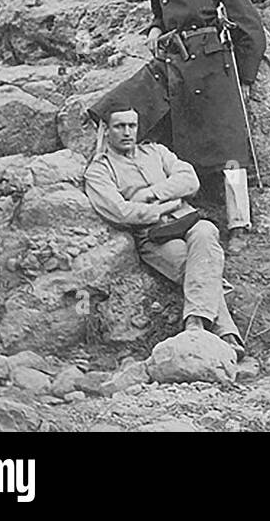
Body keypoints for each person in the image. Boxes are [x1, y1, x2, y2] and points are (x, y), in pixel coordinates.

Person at [88, 0, 265, 254]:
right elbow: (160, 12)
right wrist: (155, 27)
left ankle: (239, 223)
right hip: (176, 64)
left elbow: (250, 26)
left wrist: (246, 76)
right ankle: (174, 211)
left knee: (230, 147)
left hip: (215, 66)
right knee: (123, 107)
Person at [84, 108, 244, 359]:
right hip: (155, 235)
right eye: (119, 126)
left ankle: (195, 324)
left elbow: (189, 179)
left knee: (207, 230)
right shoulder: (99, 170)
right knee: (198, 267)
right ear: (106, 130)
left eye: (132, 125)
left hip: (187, 221)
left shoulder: (156, 151)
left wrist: (153, 195)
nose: (127, 132)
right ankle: (225, 334)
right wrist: (164, 208)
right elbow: (120, 211)